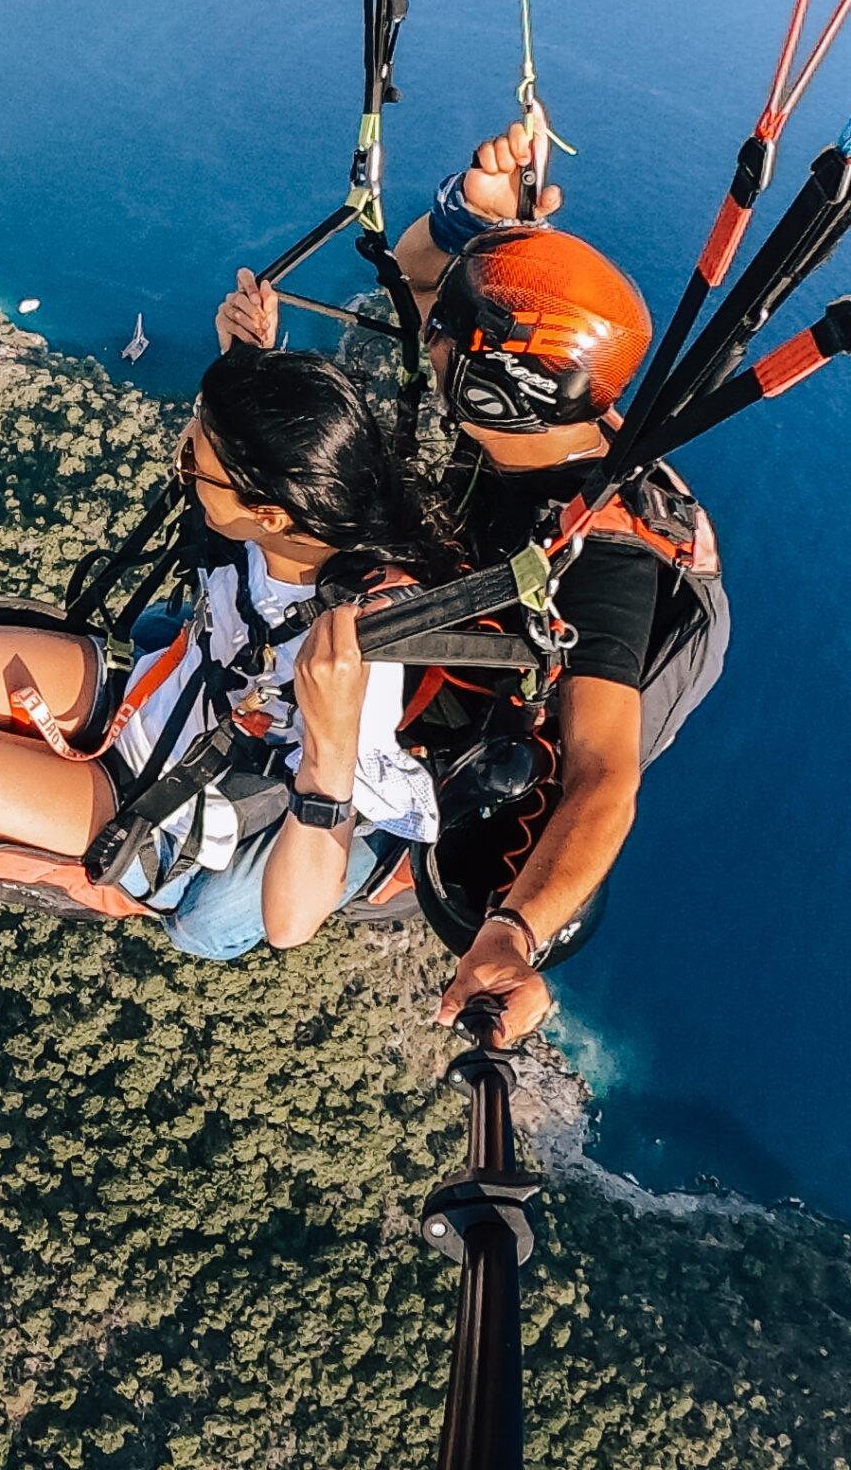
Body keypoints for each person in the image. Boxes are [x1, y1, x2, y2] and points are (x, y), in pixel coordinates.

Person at [0, 347, 454, 1021]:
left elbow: (291, 923)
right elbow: (252, 467)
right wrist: (244, 362)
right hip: (149, 697)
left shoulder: (356, 655)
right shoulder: (286, 525)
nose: (180, 462)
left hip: (152, 801)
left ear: (270, 512)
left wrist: (331, 745)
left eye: (195, 463)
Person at [217, 117, 696, 1048]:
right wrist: (470, 218)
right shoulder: (545, 416)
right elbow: (421, 279)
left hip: (430, 769)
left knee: (216, 913)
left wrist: (513, 932)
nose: (428, 345)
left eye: (447, 346)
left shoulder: (606, 559)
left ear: (488, 393)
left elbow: (604, 775)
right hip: (402, 668)